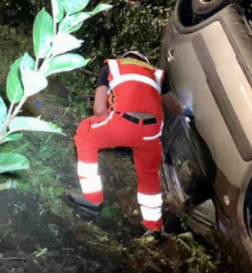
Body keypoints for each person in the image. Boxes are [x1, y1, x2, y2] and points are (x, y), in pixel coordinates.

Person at [69, 50, 184, 232]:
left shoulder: (112, 67)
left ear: (124, 59)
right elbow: (176, 108)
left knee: (84, 135)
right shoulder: (156, 74)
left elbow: (99, 109)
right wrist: (188, 111)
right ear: (145, 62)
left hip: (122, 123)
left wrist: (109, 128)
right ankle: (154, 226)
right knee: (149, 174)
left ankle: (92, 200)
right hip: (151, 132)